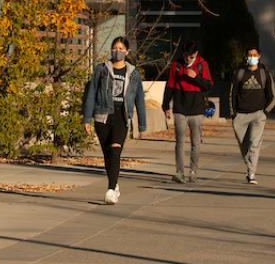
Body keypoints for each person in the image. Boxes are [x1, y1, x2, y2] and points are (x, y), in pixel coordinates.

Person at [81, 36, 147, 204]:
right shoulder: (101, 69)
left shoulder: (133, 73)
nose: (117, 51)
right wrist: (87, 119)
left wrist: (142, 124)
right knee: (108, 155)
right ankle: (114, 183)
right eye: (115, 48)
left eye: (121, 48)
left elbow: (139, 98)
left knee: (116, 150)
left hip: (122, 116)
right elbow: (91, 94)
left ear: (126, 51)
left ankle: (110, 189)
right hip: (102, 115)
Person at [162, 41, 212, 184]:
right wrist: (165, 105)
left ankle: (193, 171)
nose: (188, 59)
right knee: (179, 142)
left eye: (191, 57)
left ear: (196, 54)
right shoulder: (176, 65)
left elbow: (208, 86)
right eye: (185, 56)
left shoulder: (203, 65)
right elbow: (170, 85)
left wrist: (195, 77)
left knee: (195, 142)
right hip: (180, 108)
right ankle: (180, 172)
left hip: (197, 110)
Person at [228, 47, 275, 184]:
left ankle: (251, 174)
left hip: (258, 115)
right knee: (244, 145)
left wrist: (265, 111)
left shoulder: (264, 74)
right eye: (250, 55)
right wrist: (233, 113)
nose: (252, 57)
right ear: (246, 57)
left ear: (259, 56)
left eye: (254, 55)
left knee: (254, 144)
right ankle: (250, 166)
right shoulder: (239, 73)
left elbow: (272, 96)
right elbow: (232, 93)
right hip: (240, 116)